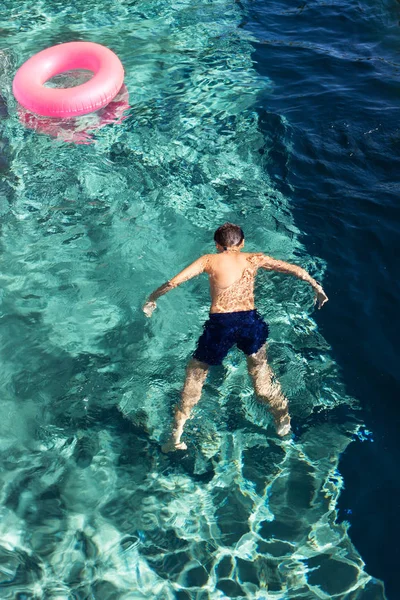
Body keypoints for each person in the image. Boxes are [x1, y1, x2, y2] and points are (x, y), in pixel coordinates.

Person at [143, 223, 328, 453]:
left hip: (221, 325)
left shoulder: (208, 260)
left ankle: (176, 436)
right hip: (250, 322)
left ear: (217, 244)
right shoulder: (253, 258)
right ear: (242, 244)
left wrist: (152, 298)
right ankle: (283, 423)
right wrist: (315, 286)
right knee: (261, 374)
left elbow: (174, 282)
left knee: (196, 373)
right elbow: (292, 269)